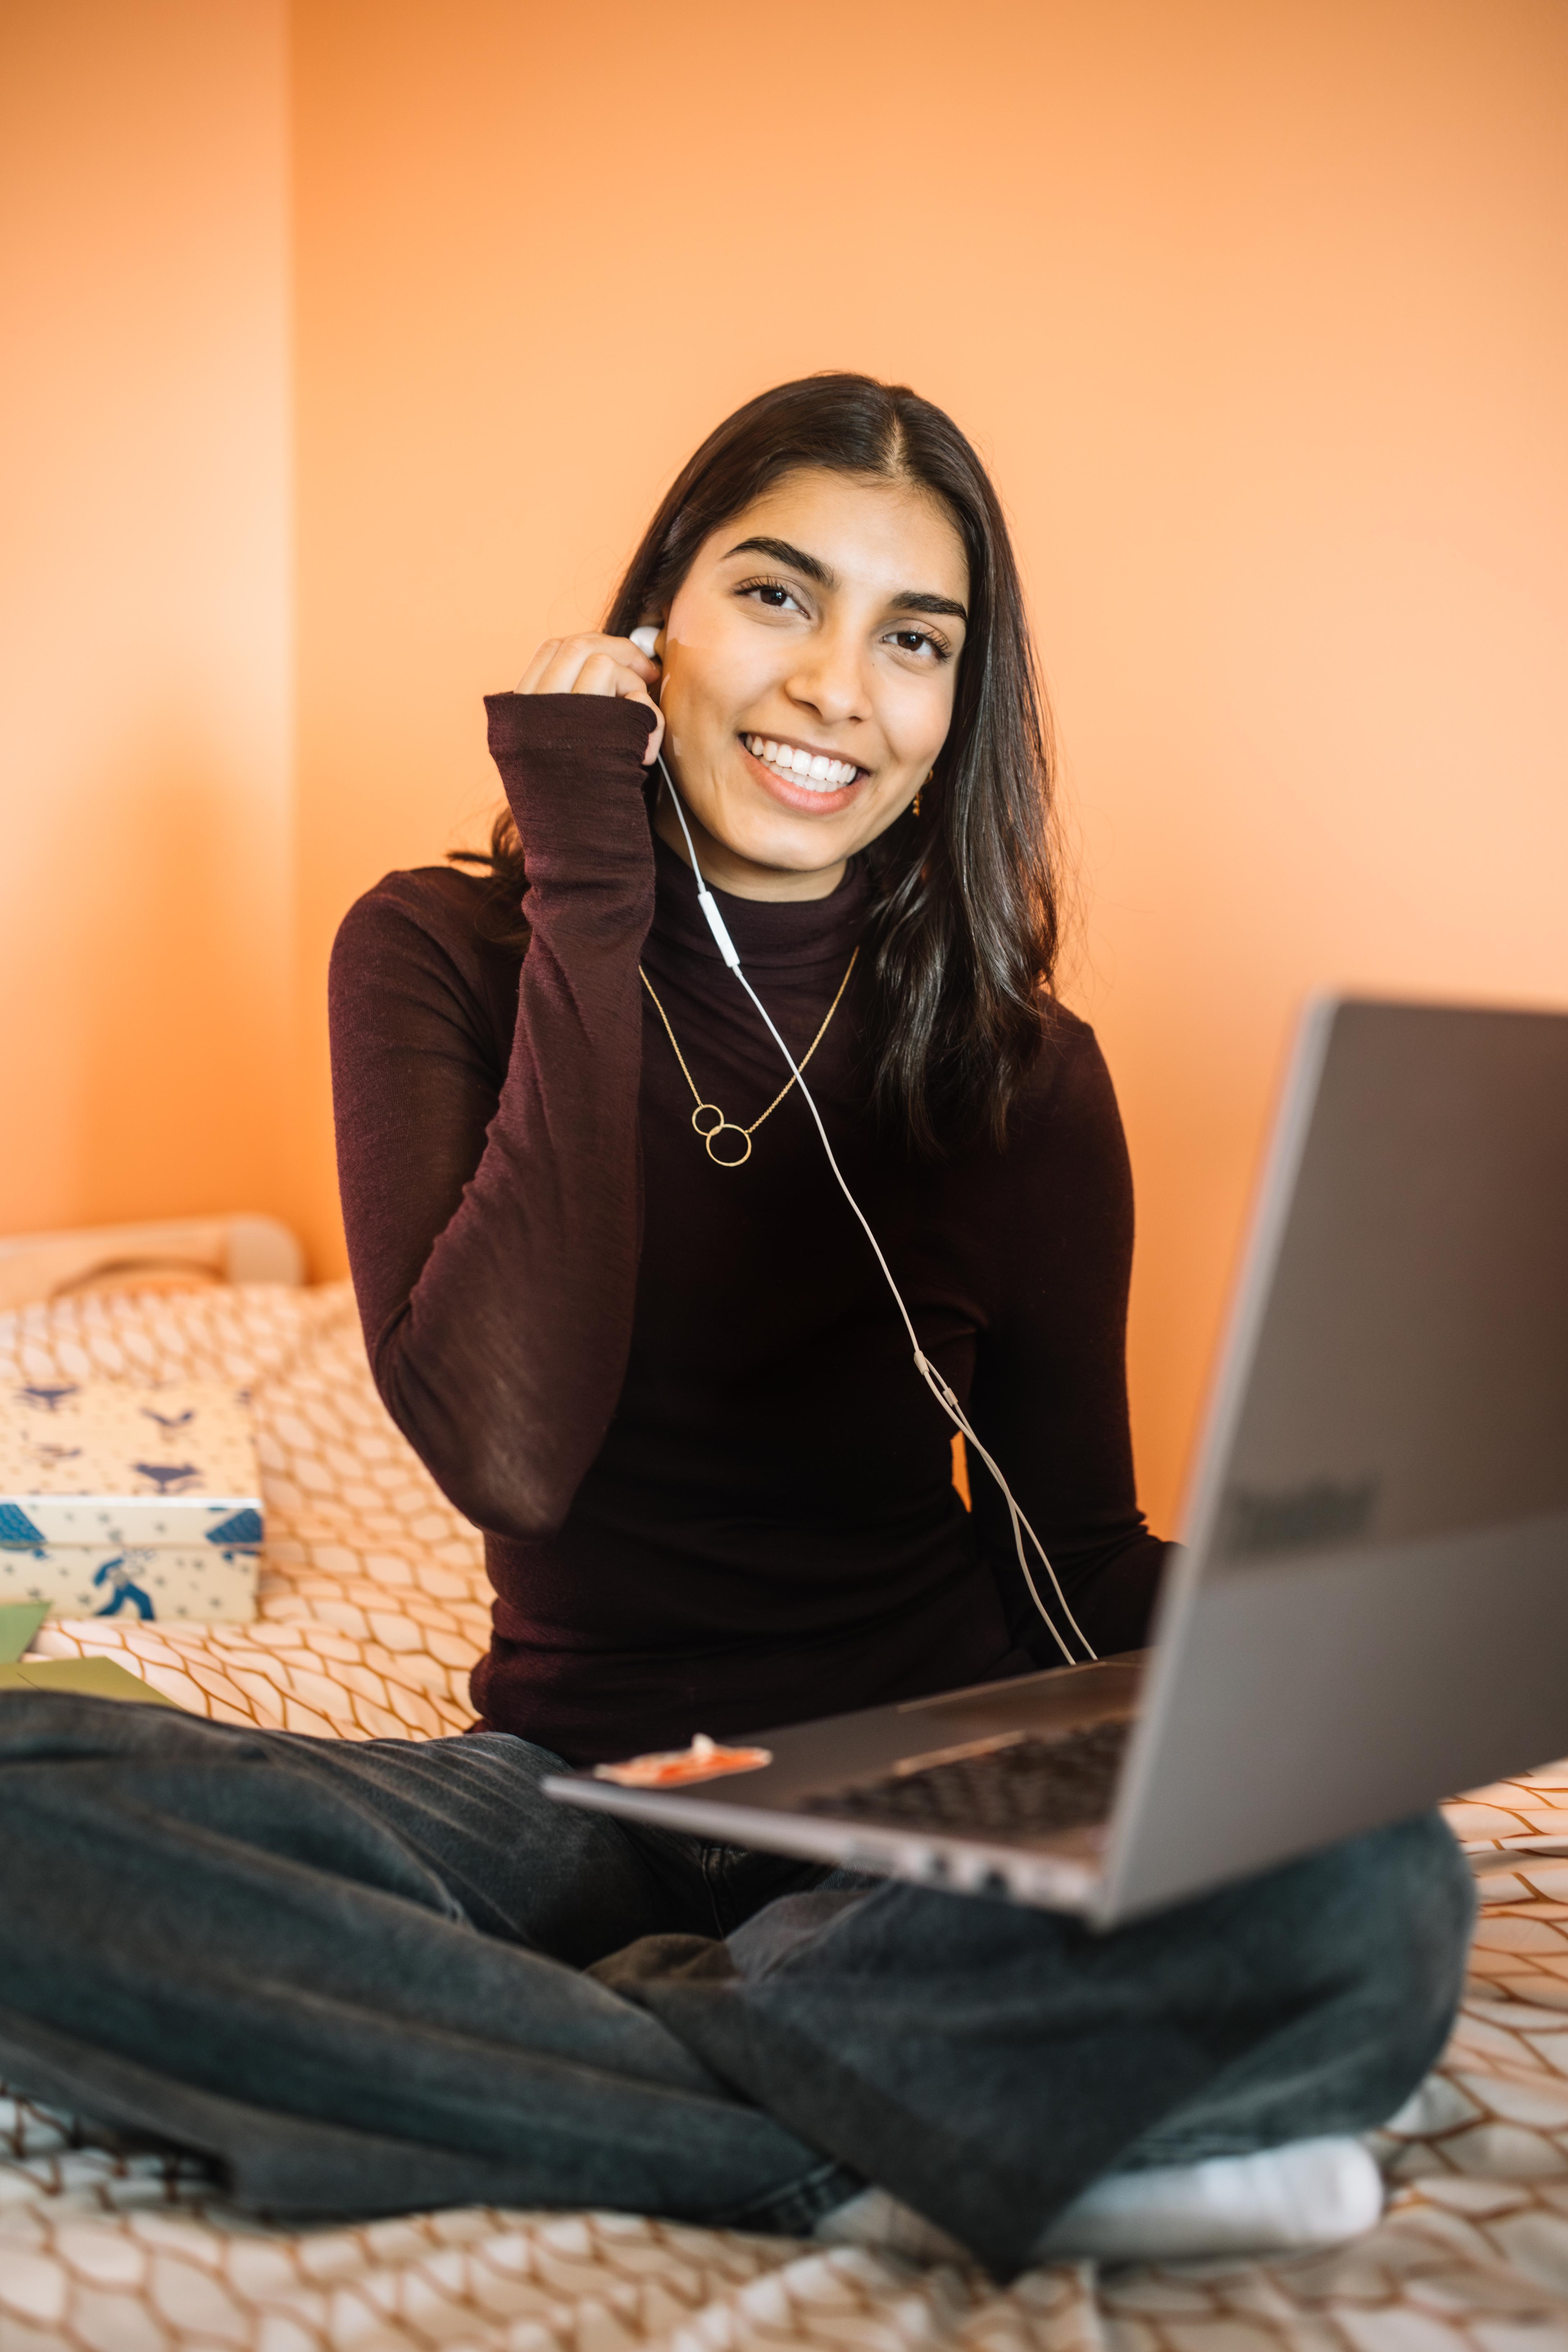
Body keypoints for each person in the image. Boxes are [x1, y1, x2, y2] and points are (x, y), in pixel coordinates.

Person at [0, 376, 1471, 2278]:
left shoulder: (1021, 1074)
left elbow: (1078, 1560)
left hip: (914, 1814)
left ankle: (709, 2087)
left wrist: (1370, 1643)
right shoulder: (443, 955)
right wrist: (589, 886)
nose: (836, 687)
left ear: (957, 713)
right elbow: (506, 1450)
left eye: (912, 639)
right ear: (654, 626)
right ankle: (877, 2131)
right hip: (569, 1796)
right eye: (778, 597)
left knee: (1372, 1886)